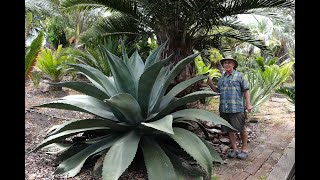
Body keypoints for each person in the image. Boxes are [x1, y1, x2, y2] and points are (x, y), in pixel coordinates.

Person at [207, 56, 253, 160]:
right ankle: (235, 149)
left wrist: (248, 104)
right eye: (225, 63)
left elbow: (246, 90)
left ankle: (244, 149)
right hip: (224, 108)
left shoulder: (239, 76)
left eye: (229, 62)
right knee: (229, 129)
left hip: (236, 108)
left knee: (241, 128)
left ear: (233, 64)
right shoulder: (221, 79)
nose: (226, 64)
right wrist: (210, 84)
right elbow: (217, 91)